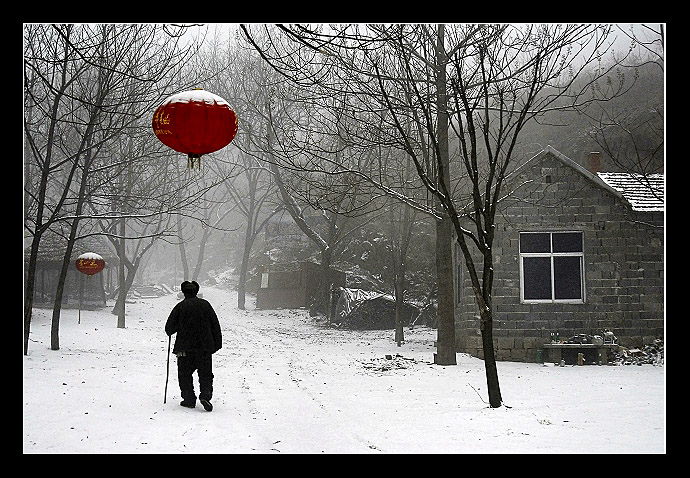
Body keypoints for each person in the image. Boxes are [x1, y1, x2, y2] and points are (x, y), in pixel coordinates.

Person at [165, 281, 222, 411]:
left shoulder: (180, 307)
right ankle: (205, 396)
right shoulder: (206, 305)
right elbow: (215, 325)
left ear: (184, 292)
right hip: (204, 348)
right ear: (196, 291)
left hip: (184, 348)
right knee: (206, 374)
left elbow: (169, 329)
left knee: (184, 374)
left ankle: (189, 399)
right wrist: (216, 344)